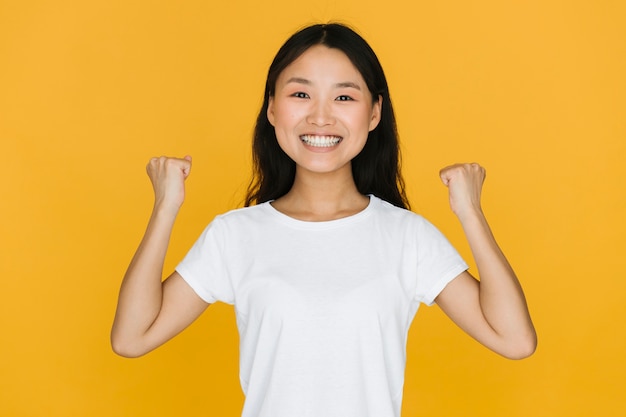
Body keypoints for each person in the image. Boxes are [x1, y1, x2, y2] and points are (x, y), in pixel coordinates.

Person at [111, 23, 536, 417]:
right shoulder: (235, 235)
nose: (320, 116)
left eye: (344, 97)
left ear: (374, 114)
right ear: (272, 109)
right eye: (300, 94)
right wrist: (165, 208)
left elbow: (514, 340)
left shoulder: (406, 237)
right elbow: (132, 338)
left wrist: (471, 213)